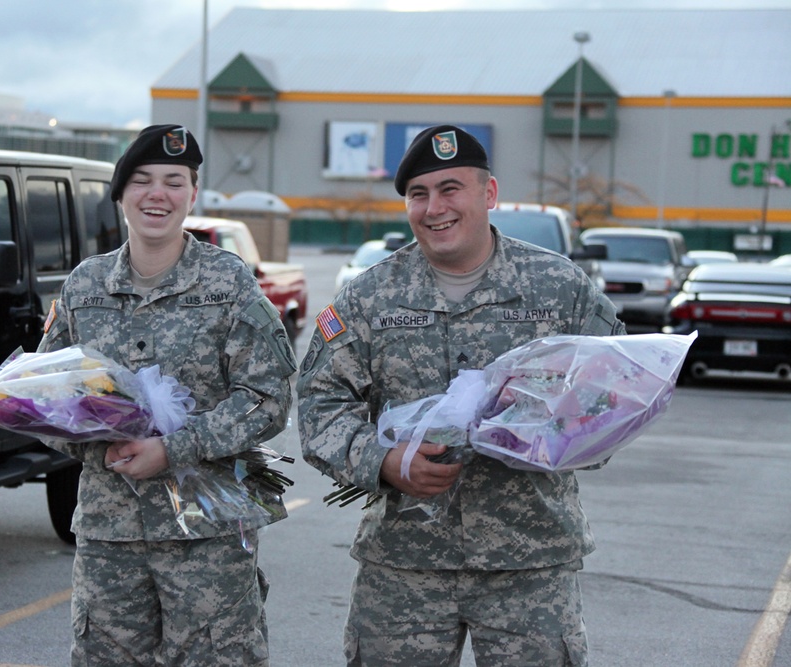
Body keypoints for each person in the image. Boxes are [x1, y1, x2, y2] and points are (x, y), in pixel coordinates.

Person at [296, 124, 625, 666]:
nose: (434, 208)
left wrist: (550, 440)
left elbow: (613, 396)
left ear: (488, 194)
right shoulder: (370, 296)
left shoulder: (559, 289)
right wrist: (384, 460)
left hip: (530, 563)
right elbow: (320, 404)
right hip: (405, 565)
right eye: (418, 194)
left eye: (451, 189)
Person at [37, 124, 297, 666]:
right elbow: (45, 402)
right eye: (143, 181)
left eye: (174, 182)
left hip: (209, 533)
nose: (159, 195)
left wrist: (174, 449)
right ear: (121, 194)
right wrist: (98, 446)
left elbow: (267, 396)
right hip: (111, 536)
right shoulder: (84, 287)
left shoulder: (229, 282)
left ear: (193, 194)